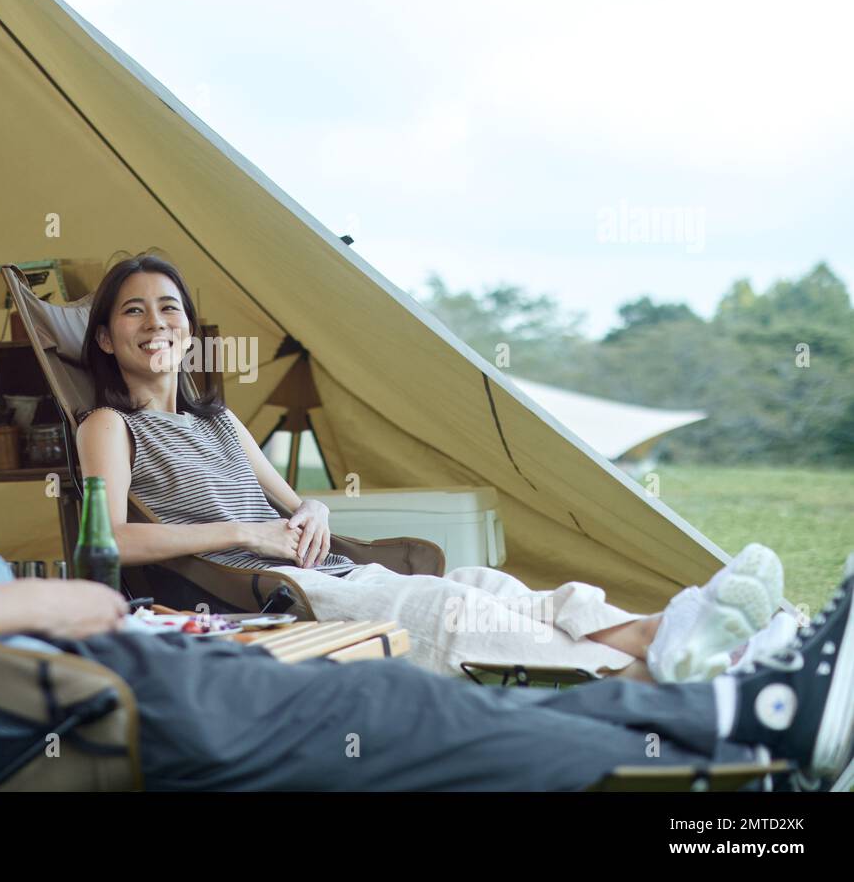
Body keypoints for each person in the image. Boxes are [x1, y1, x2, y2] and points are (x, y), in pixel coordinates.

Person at [0, 79, 854, 791]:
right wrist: (65, 608)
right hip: (6, 703)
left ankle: (736, 711)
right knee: (401, 718)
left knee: (389, 693)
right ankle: (731, 737)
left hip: (26, 669)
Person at [74, 253, 799, 683]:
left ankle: (673, 634)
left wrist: (314, 513)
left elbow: (300, 504)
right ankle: (688, 655)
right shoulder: (111, 425)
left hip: (334, 575)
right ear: (106, 338)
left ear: (189, 327)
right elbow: (105, 540)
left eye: (168, 307)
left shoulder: (220, 420)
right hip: (273, 595)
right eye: (133, 312)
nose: (155, 322)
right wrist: (251, 534)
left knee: (489, 584)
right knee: (457, 615)